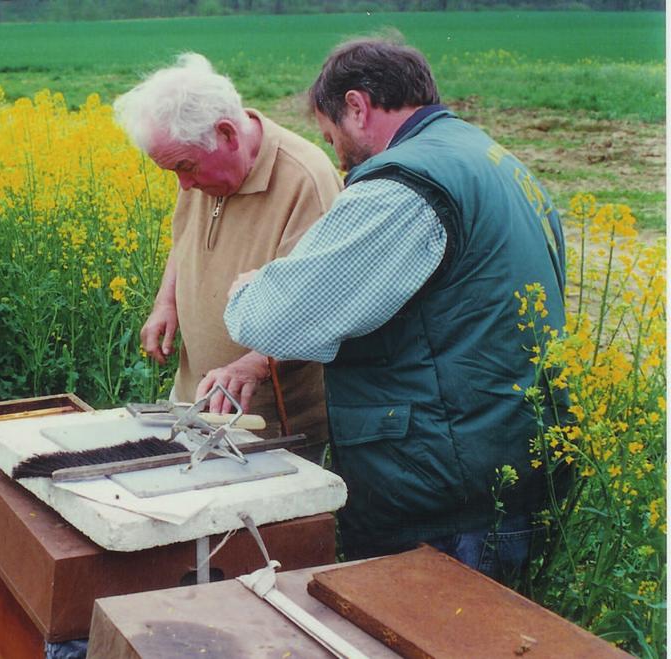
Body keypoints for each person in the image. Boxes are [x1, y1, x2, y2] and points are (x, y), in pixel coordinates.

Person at [223, 36, 568, 583]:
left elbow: (271, 319)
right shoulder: (493, 159)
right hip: (507, 467)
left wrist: (253, 283)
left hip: (438, 497)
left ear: (357, 107)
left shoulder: (404, 188)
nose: (337, 156)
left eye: (332, 136)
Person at [113, 53, 343, 455]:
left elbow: (322, 308)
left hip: (269, 426)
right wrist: (166, 301)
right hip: (192, 404)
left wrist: (251, 365)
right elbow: (183, 239)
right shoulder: (200, 170)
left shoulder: (306, 179)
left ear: (226, 134)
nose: (183, 185)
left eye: (187, 168)